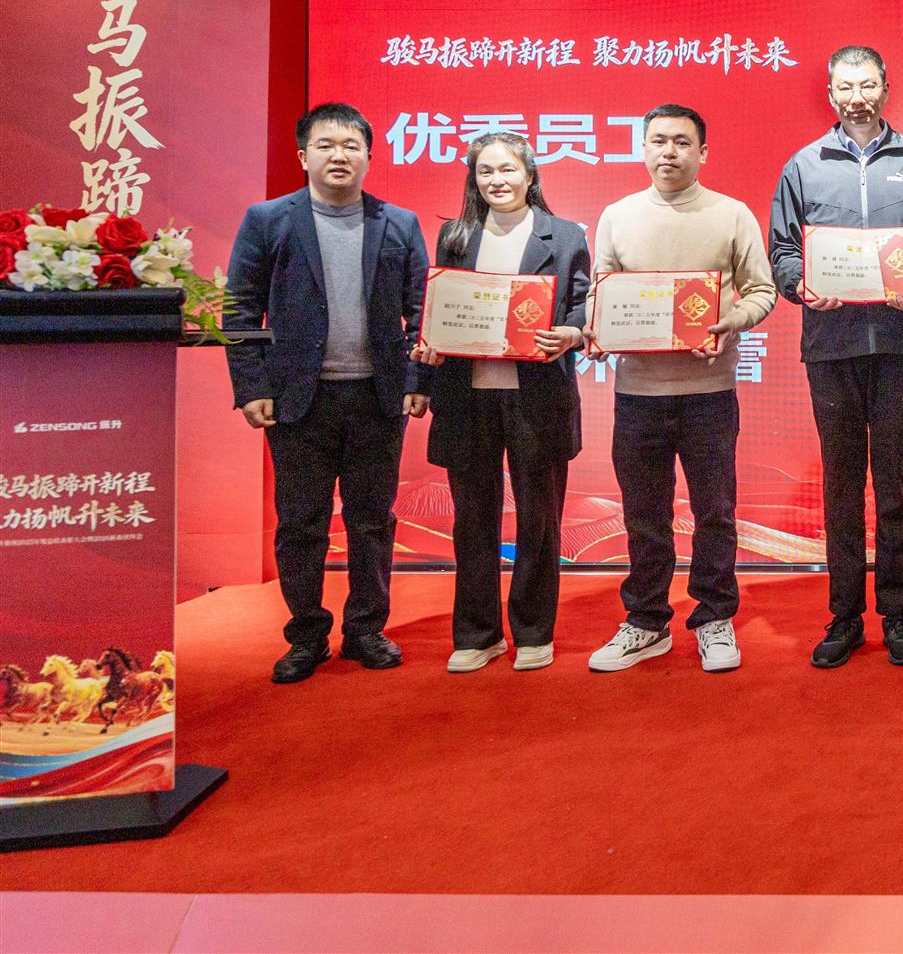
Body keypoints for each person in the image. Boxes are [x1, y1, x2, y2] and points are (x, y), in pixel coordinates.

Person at [768, 46, 903, 668]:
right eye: (845, 87)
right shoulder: (804, 166)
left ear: (886, 87)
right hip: (831, 347)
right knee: (841, 484)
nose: (856, 97)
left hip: (901, 345)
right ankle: (845, 615)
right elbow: (782, 251)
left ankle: (899, 613)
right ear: (830, 94)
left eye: (867, 84)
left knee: (896, 484)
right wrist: (800, 283)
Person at [224, 102, 429, 684]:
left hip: (376, 398)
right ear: (303, 156)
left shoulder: (399, 223)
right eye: (325, 145)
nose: (339, 155)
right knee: (300, 523)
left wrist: (417, 381)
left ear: (369, 155)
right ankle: (306, 635)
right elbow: (239, 308)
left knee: (372, 520)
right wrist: (251, 386)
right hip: (298, 400)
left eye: (351, 146)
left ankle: (365, 629)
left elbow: (423, 310)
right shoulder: (269, 220)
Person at [583, 104, 777, 675]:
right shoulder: (617, 216)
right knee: (644, 515)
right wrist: (597, 329)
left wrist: (733, 322)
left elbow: (762, 290)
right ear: (643, 148)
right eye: (658, 141)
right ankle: (646, 621)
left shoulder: (732, 214)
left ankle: (714, 618)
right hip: (637, 394)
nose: (669, 151)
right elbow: (600, 292)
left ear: (703, 152)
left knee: (715, 512)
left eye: (682, 142)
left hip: (708, 393)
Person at [410, 132, 591, 674]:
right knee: (472, 520)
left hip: (538, 395)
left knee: (539, 520)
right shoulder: (455, 235)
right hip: (467, 396)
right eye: (485, 171)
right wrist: (427, 356)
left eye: (508, 169)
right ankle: (478, 634)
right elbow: (437, 306)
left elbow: (583, 304)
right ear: (474, 179)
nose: (497, 180)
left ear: (530, 175)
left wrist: (572, 333)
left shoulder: (565, 235)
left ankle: (534, 632)